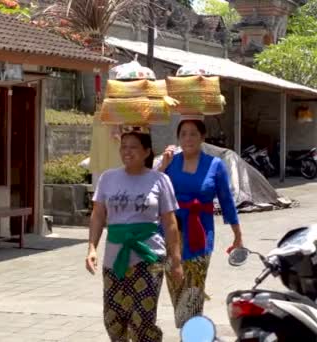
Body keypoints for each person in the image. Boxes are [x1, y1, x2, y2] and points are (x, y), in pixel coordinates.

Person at [86, 128, 183, 342]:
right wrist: (92, 247)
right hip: (115, 259)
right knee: (113, 319)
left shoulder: (160, 180)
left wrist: (176, 261)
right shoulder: (108, 178)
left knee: (143, 320)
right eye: (123, 147)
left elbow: (170, 223)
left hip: (149, 258)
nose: (127, 151)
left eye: (133, 147)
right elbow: (98, 215)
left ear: (147, 151)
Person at [157, 119, 243, 328]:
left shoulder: (215, 165)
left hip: (200, 235)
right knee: (176, 288)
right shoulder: (170, 162)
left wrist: (237, 235)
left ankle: (191, 332)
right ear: (178, 139)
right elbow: (152, 190)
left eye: (193, 134)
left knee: (194, 290)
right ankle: (187, 329)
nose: (188, 138)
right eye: (183, 134)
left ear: (202, 138)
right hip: (171, 233)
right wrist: (162, 166)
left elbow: (226, 201)